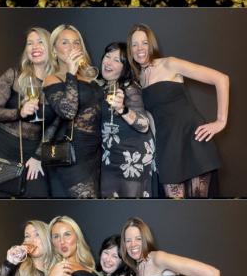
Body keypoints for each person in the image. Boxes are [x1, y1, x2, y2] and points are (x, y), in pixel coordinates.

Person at [128, 23, 228, 198]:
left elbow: (221, 79)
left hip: (193, 139)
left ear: (151, 44)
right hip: (167, 147)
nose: (139, 48)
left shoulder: (170, 64)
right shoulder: (138, 79)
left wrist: (221, 121)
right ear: (130, 50)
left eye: (144, 43)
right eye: (134, 44)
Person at [0, 27, 53, 198]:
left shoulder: (58, 82)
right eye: (30, 43)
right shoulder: (13, 75)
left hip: (33, 154)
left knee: (39, 199)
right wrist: (19, 112)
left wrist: (38, 156)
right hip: (1, 149)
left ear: (51, 47)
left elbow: (57, 124)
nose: (34, 47)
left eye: (40, 42)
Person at [42, 24, 103, 199]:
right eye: (65, 42)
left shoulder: (91, 78)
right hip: (74, 151)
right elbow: (68, 111)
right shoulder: (53, 79)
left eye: (76, 42)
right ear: (54, 51)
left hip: (96, 151)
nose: (72, 47)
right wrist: (71, 72)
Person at [98, 42, 156, 198]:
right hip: (110, 158)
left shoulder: (130, 88)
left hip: (132, 157)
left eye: (117, 60)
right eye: (107, 56)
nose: (109, 62)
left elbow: (144, 125)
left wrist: (122, 109)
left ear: (125, 67)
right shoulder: (101, 87)